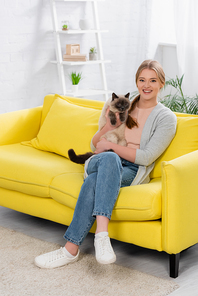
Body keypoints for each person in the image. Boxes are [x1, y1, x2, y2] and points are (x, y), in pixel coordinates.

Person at [34, 59, 177, 269]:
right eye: (142, 80)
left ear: (161, 83)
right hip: (100, 160)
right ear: (136, 82)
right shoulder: (121, 105)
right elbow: (94, 143)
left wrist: (110, 148)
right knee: (108, 159)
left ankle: (69, 249)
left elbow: (146, 157)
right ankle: (102, 235)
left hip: (132, 169)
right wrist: (107, 132)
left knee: (95, 179)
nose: (146, 85)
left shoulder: (166, 118)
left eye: (153, 80)